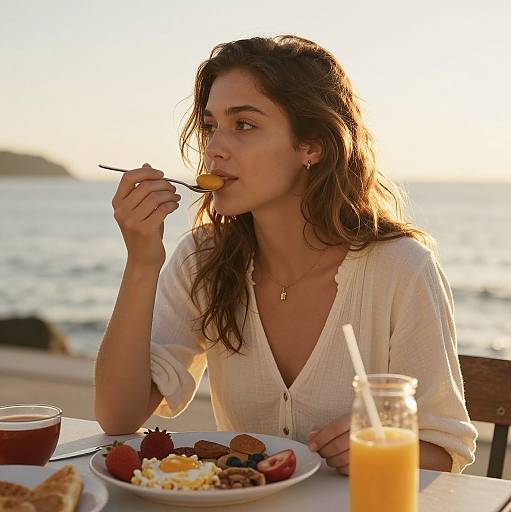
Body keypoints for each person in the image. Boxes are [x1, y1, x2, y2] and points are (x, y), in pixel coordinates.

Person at [94, 35, 477, 475]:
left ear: (311, 146)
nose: (215, 147)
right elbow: (118, 417)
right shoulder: (203, 258)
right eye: (210, 125)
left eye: (244, 125)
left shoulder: (400, 269)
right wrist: (142, 262)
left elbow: (444, 451)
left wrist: (383, 446)